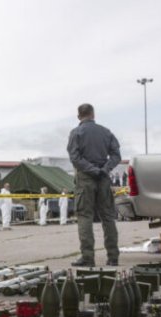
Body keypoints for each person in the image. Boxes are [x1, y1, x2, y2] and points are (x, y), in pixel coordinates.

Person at [67, 103, 121, 267]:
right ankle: (113, 257)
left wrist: (91, 169)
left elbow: (75, 157)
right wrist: (104, 169)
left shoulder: (76, 133)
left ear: (79, 116)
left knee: (85, 217)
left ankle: (88, 257)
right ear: (93, 114)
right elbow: (116, 155)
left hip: (86, 178)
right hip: (103, 177)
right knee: (108, 217)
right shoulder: (106, 132)